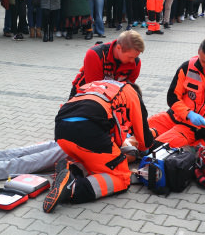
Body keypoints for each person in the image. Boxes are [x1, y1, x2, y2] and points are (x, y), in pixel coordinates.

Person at [43, 79, 152, 213]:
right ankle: (73, 188)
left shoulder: (99, 86)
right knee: (121, 177)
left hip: (61, 131)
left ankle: (69, 169)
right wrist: (143, 150)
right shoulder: (131, 94)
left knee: (94, 164)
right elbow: (143, 138)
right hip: (87, 130)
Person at [71, 30, 144, 98]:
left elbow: (127, 89)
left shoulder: (136, 63)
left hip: (114, 98)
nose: (132, 61)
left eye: (135, 57)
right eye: (130, 57)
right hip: (84, 95)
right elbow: (93, 90)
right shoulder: (95, 55)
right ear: (119, 48)